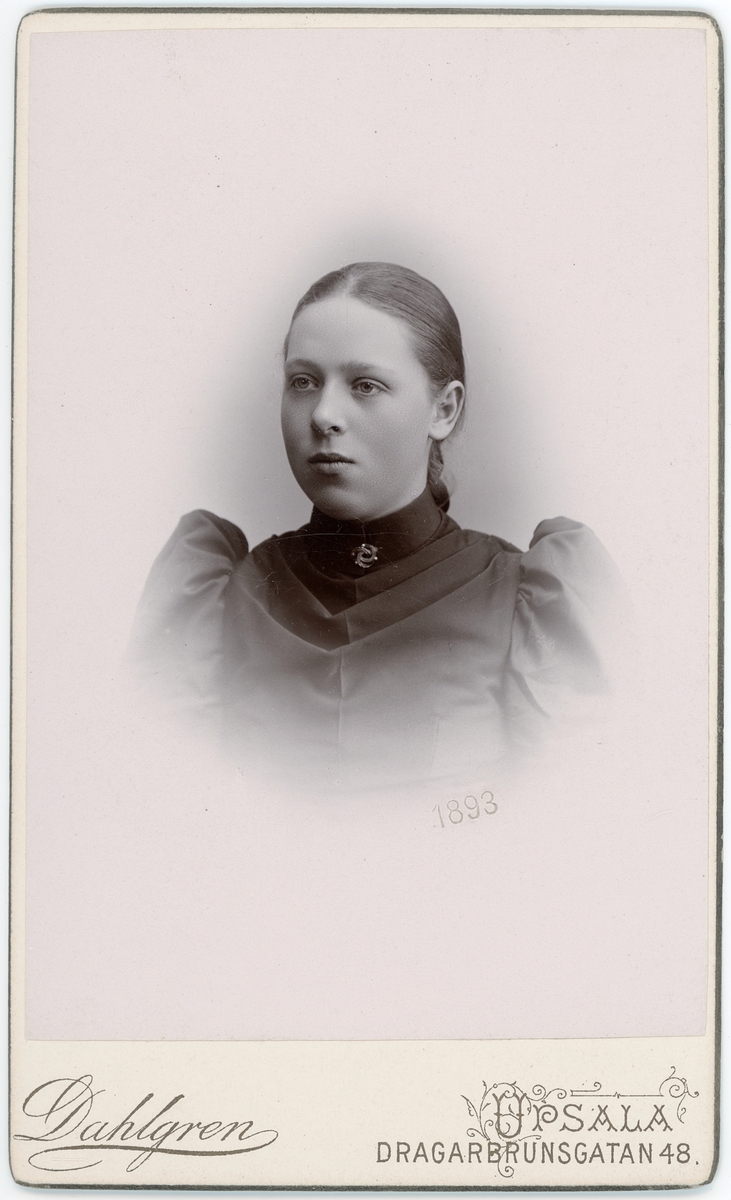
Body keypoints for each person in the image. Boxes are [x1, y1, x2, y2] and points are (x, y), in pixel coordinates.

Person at [129, 262, 626, 798]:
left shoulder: (523, 599)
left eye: (365, 386)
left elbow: (567, 815)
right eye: (303, 382)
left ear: (443, 410)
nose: (323, 415)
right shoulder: (223, 594)